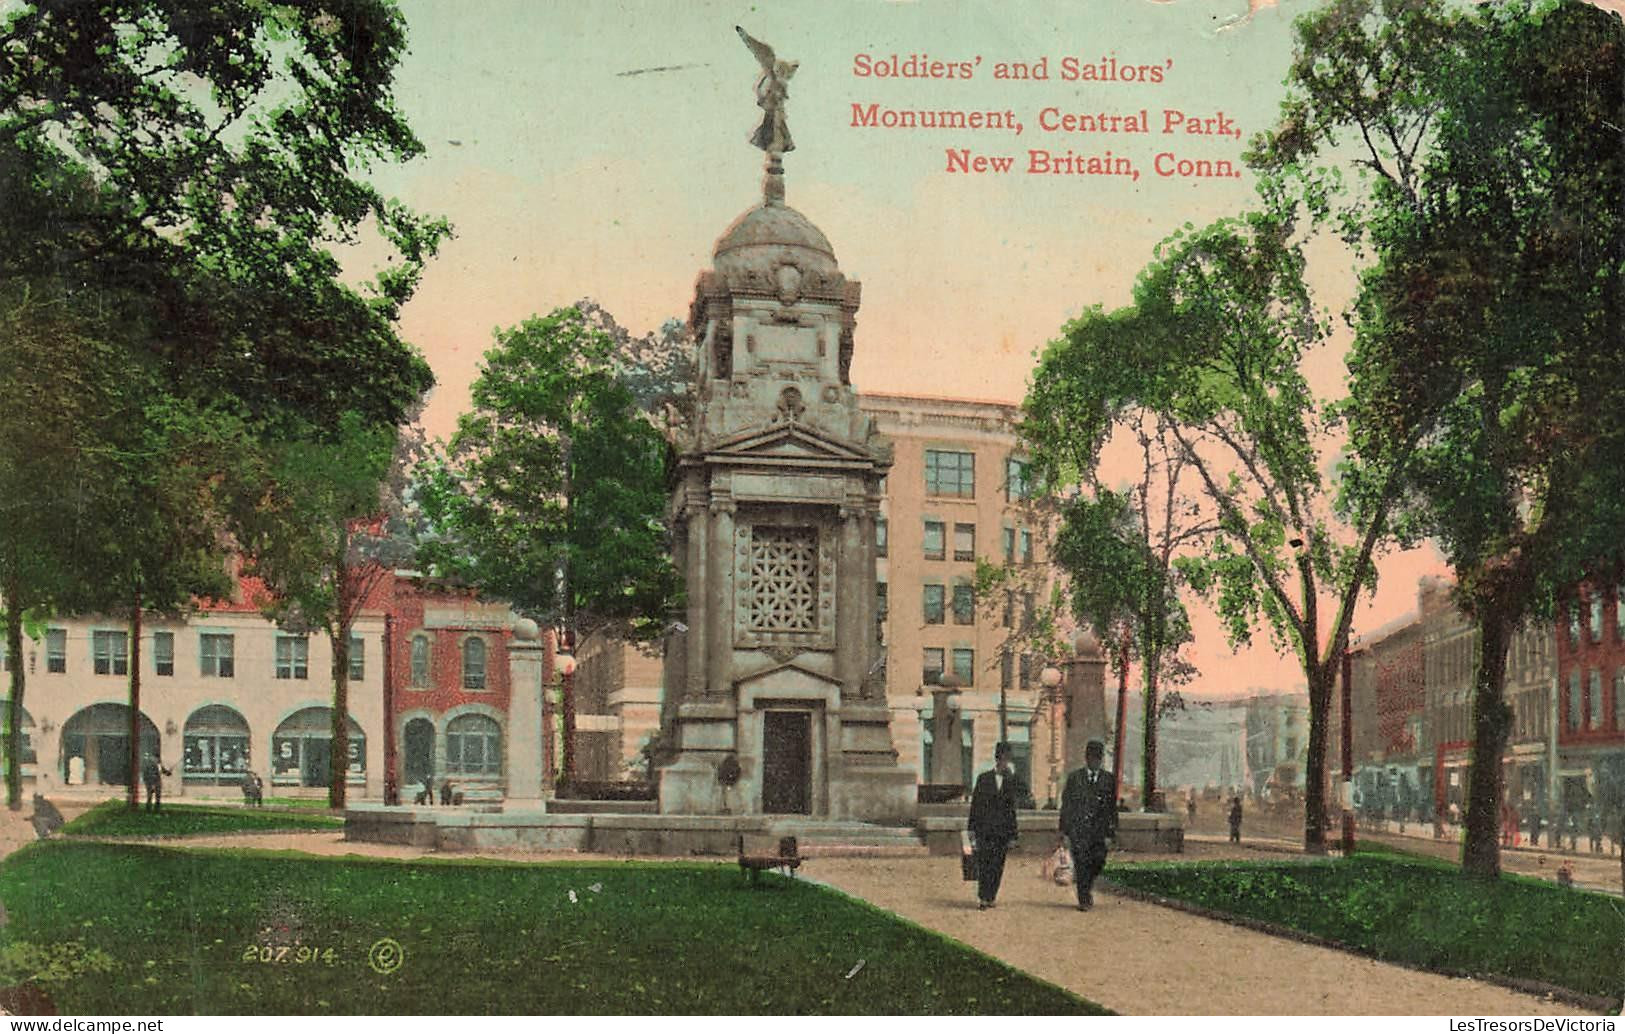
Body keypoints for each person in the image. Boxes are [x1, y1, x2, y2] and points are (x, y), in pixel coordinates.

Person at [967, 741, 1025, 910]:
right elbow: (975, 805)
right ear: (997, 759)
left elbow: (1013, 808)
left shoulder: (1010, 781)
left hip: (1002, 832)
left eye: (1008, 759)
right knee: (984, 863)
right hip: (984, 830)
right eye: (1003, 759)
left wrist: (1013, 835)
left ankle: (991, 895)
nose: (1005, 762)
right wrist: (971, 828)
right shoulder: (984, 779)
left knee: (998, 865)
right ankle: (983, 897)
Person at [1059, 739, 1116, 912]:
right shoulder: (1075, 778)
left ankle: (1087, 886)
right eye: (1092, 758)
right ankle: (1084, 897)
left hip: (1099, 832)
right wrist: (1064, 831)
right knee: (1082, 862)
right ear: (1087, 758)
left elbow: (1112, 809)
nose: (1095, 762)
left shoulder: (1108, 779)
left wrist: (1110, 834)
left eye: (1098, 759)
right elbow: (1066, 805)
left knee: (1098, 861)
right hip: (1079, 831)